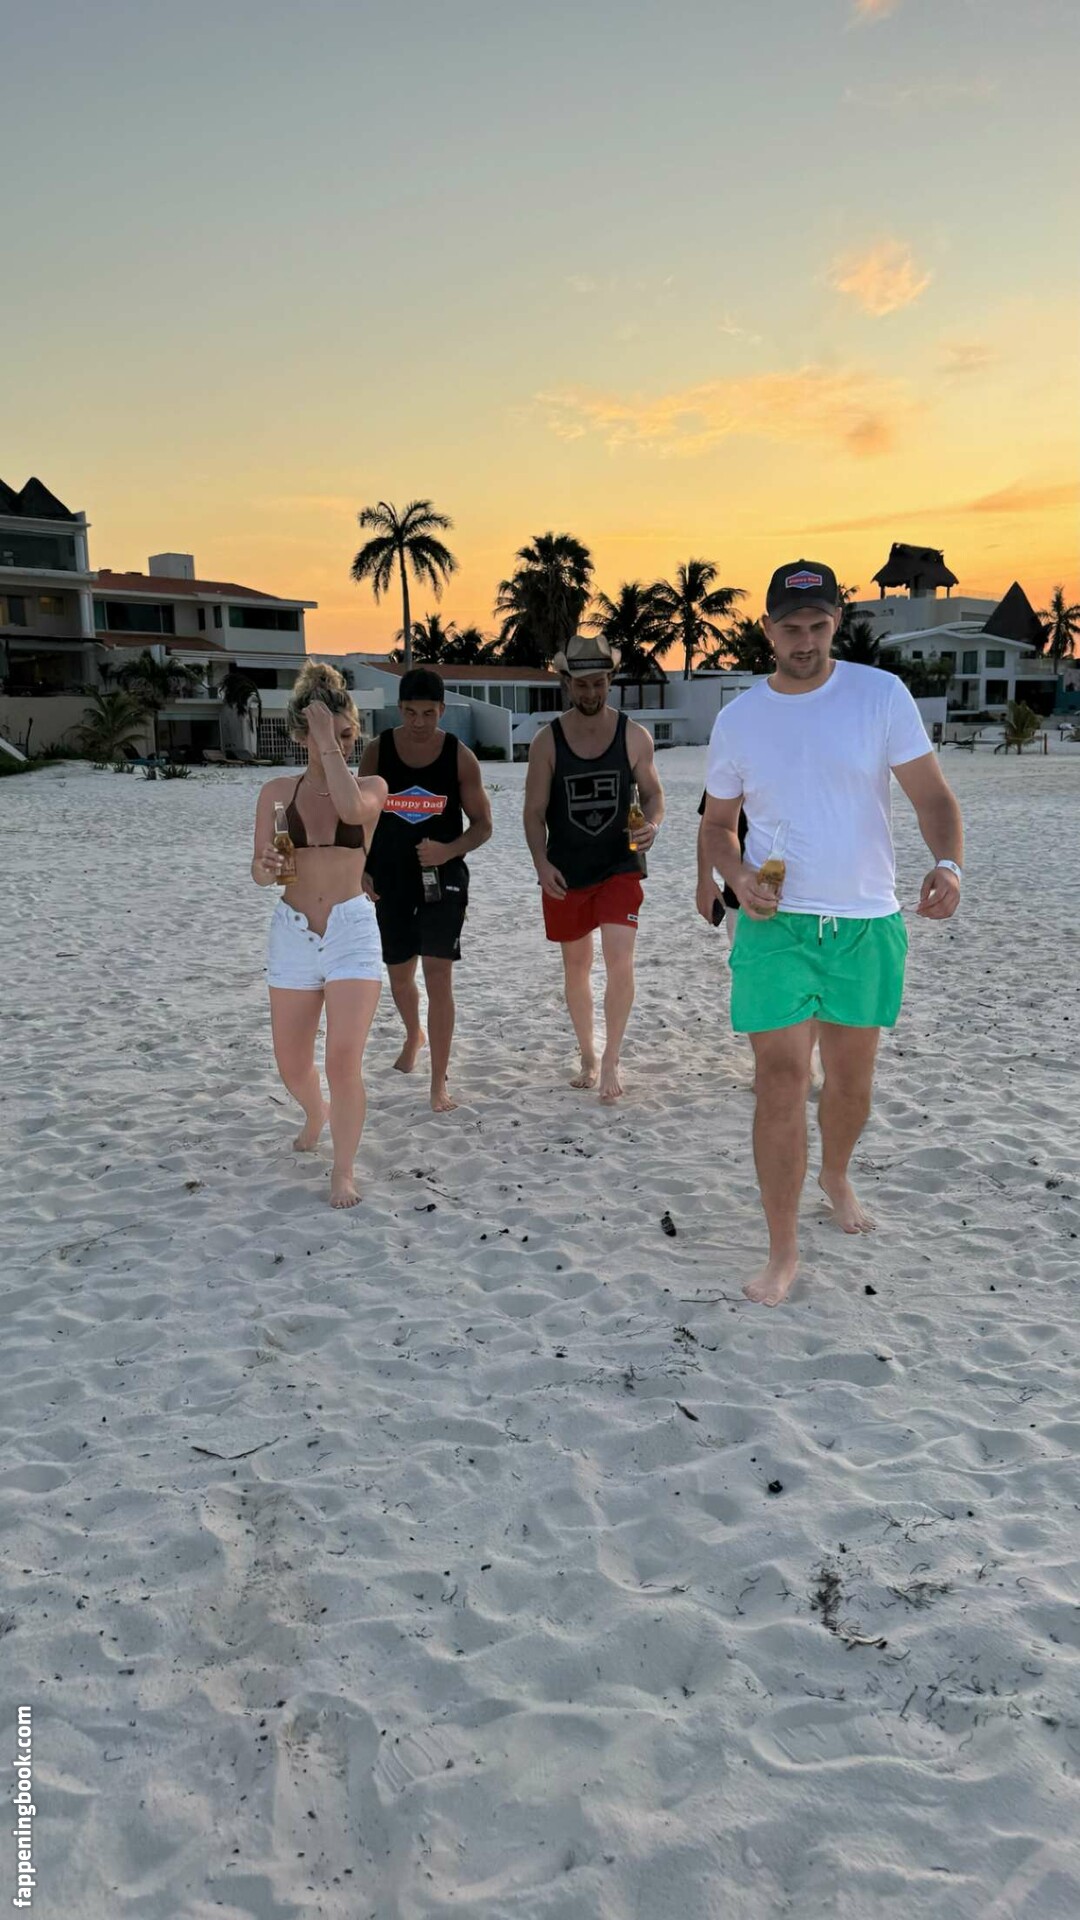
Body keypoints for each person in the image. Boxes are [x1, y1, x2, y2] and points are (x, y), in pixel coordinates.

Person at [701, 559, 964, 1306]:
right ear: (767, 630)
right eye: (791, 628)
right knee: (781, 1078)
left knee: (850, 1083)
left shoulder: (880, 696)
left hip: (865, 921)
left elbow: (933, 798)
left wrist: (948, 864)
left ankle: (836, 1174)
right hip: (775, 924)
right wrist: (735, 875)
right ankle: (781, 1251)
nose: (806, 641)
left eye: (819, 626)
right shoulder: (738, 719)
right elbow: (717, 827)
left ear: (836, 623)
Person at [252, 661, 388, 1209]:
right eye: (328, 734)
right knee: (291, 1062)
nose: (342, 745)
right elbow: (260, 872)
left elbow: (351, 806)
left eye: (349, 735)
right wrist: (265, 866)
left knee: (342, 1059)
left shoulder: (371, 787)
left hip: (352, 928)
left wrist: (328, 738)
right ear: (300, 734)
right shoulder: (276, 793)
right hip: (293, 932)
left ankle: (344, 1170)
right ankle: (316, 1112)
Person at [523, 632, 665, 1102]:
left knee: (620, 959)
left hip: (620, 863)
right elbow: (533, 812)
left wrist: (653, 824)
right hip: (566, 869)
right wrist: (541, 862)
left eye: (599, 683)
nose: (590, 693)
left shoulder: (633, 735)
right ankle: (588, 1053)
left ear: (611, 680)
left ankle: (611, 1058)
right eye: (581, 684)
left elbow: (654, 794)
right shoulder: (547, 741)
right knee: (576, 966)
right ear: (566, 682)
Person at [359, 667, 492, 1113]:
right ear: (399, 709)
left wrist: (447, 850)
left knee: (438, 975)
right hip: (390, 878)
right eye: (411, 712)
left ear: (442, 711)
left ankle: (438, 1083)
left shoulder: (459, 757)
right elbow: (358, 817)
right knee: (400, 976)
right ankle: (413, 1033)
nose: (419, 722)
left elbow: (483, 825)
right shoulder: (378, 751)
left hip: (443, 879)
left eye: (428, 713)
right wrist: (361, 867)